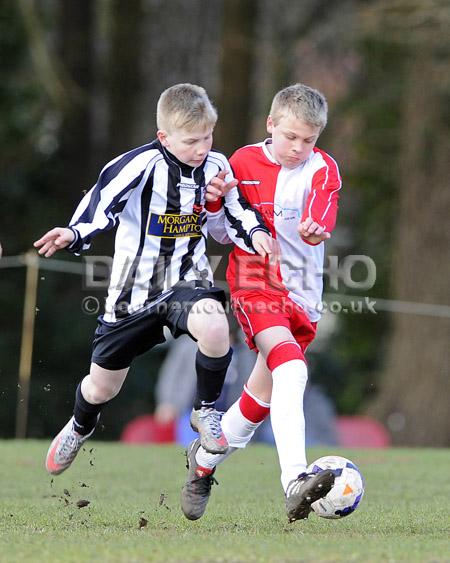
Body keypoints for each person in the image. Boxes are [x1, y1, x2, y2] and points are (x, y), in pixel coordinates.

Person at [34, 83, 275, 476]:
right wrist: (74, 232)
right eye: (191, 140)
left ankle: (205, 412)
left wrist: (256, 232)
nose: (202, 148)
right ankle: (79, 427)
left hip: (186, 282)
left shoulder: (216, 167)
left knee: (215, 328)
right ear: (164, 136)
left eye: (208, 137)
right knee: (101, 388)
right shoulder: (138, 164)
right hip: (133, 291)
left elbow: (236, 209)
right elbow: (102, 204)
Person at [180, 83, 342, 522]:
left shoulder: (324, 170)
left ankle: (203, 464)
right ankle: (294, 480)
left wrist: (315, 229)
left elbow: (322, 216)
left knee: (258, 401)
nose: (299, 147)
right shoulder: (241, 163)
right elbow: (217, 232)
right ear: (270, 125)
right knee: (291, 368)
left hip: (304, 295)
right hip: (255, 284)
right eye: (290, 137)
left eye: (309, 140)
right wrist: (214, 200)